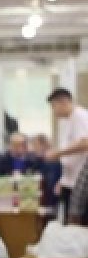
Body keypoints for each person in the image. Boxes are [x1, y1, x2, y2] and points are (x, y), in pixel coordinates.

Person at [44, 87, 88, 223]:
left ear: (63, 102)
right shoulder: (67, 121)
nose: (53, 111)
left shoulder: (80, 116)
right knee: (68, 221)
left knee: (77, 222)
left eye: (54, 106)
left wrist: (57, 153)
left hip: (81, 182)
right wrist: (63, 180)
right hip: (70, 181)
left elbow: (85, 142)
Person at [29, 133, 63, 211]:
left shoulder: (53, 161)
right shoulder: (39, 159)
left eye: (35, 145)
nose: (34, 149)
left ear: (44, 144)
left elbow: (51, 183)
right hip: (44, 197)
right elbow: (33, 172)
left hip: (51, 199)